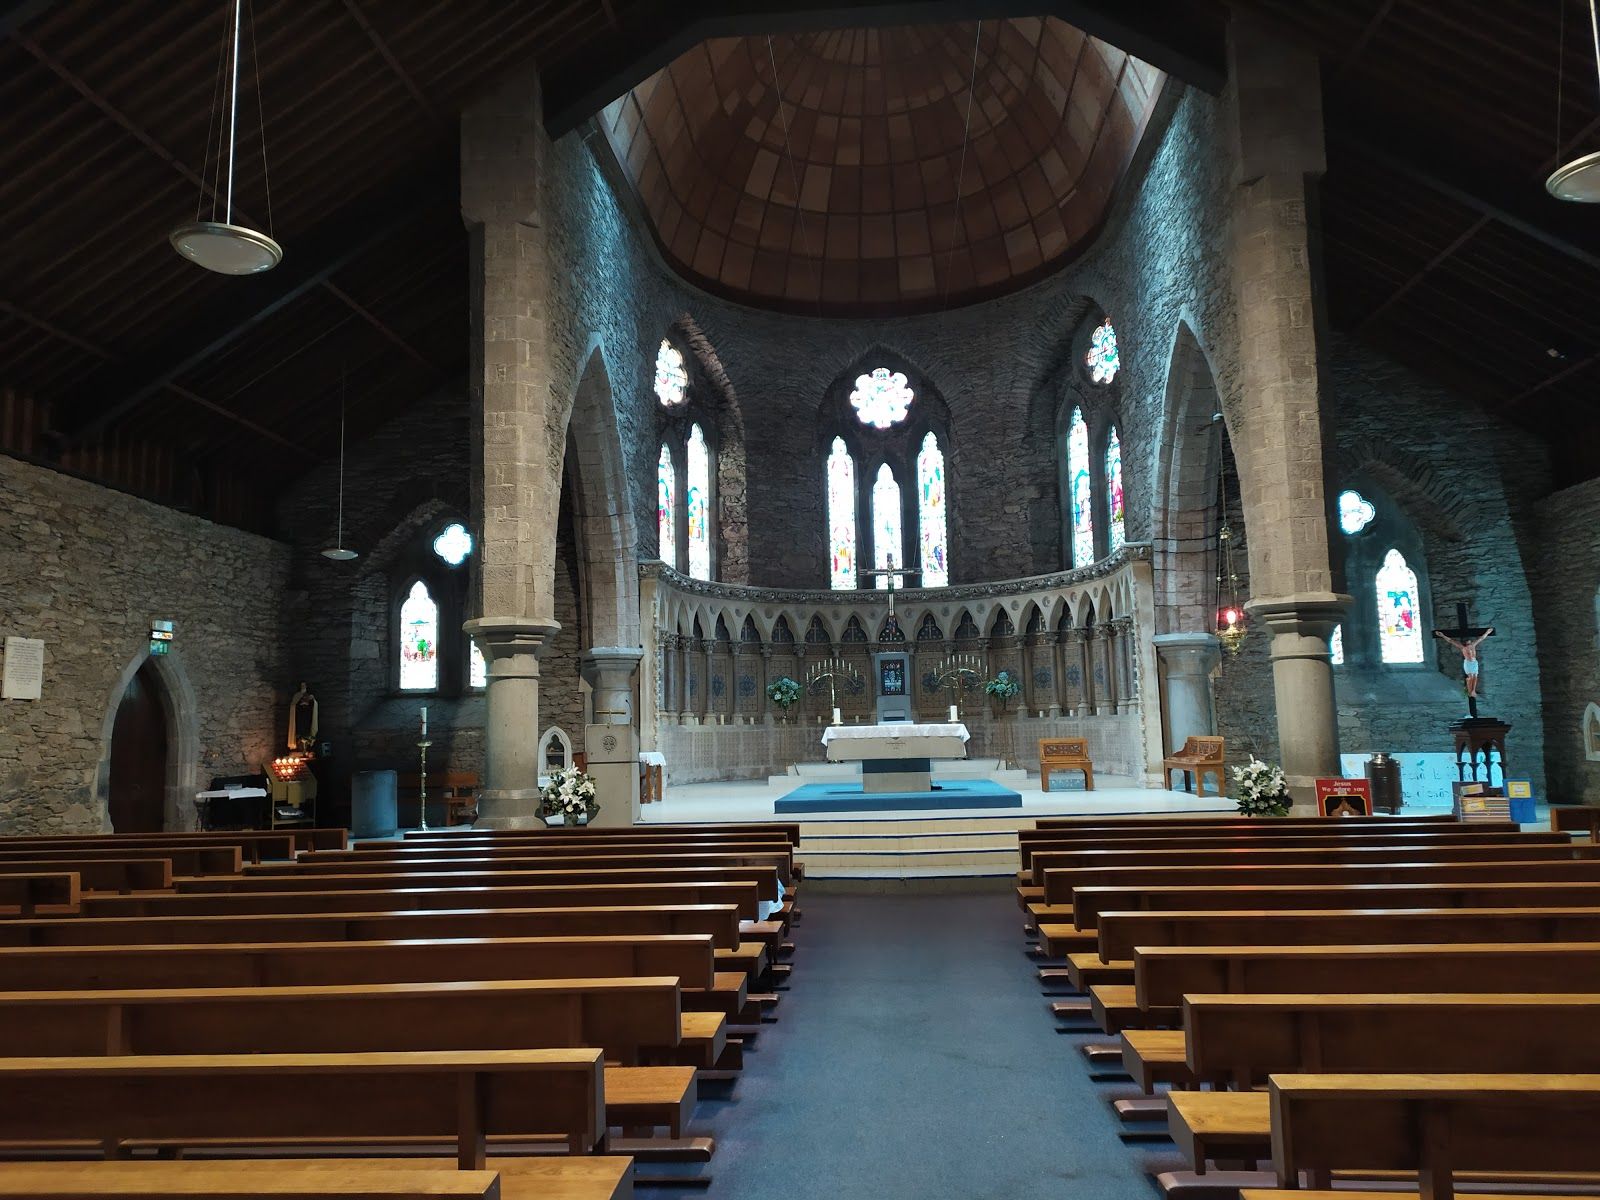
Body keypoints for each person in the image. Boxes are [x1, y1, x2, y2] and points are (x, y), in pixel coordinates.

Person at [1433, 627, 1494, 699]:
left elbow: (1481, 638)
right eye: (1467, 642)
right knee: (1471, 677)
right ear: (1465, 643)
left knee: (1475, 677)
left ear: (1470, 642)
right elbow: (1451, 641)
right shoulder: (1462, 647)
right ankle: (1469, 690)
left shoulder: (1473, 645)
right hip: (1468, 663)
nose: (1468, 643)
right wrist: (1442, 635)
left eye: (1469, 642)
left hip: (1474, 662)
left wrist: (1487, 632)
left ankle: (1473, 691)